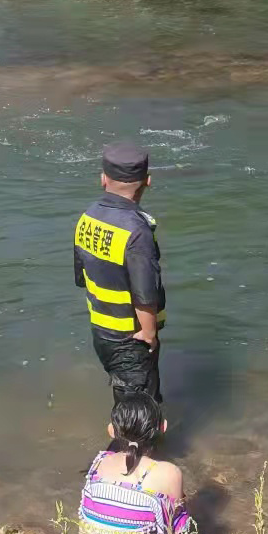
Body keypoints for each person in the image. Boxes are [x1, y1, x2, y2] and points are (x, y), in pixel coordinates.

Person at [73, 142, 165, 403]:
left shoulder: (87, 218)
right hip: (132, 338)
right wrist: (149, 335)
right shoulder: (137, 231)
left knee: (127, 402)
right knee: (139, 411)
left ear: (103, 179)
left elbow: (81, 278)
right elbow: (144, 293)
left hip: (102, 332)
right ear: (147, 181)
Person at [75, 392, 191, 534]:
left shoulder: (99, 462)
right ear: (163, 427)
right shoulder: (169, 473)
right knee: (177, 517)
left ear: (111, 430)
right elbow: (175, 531)